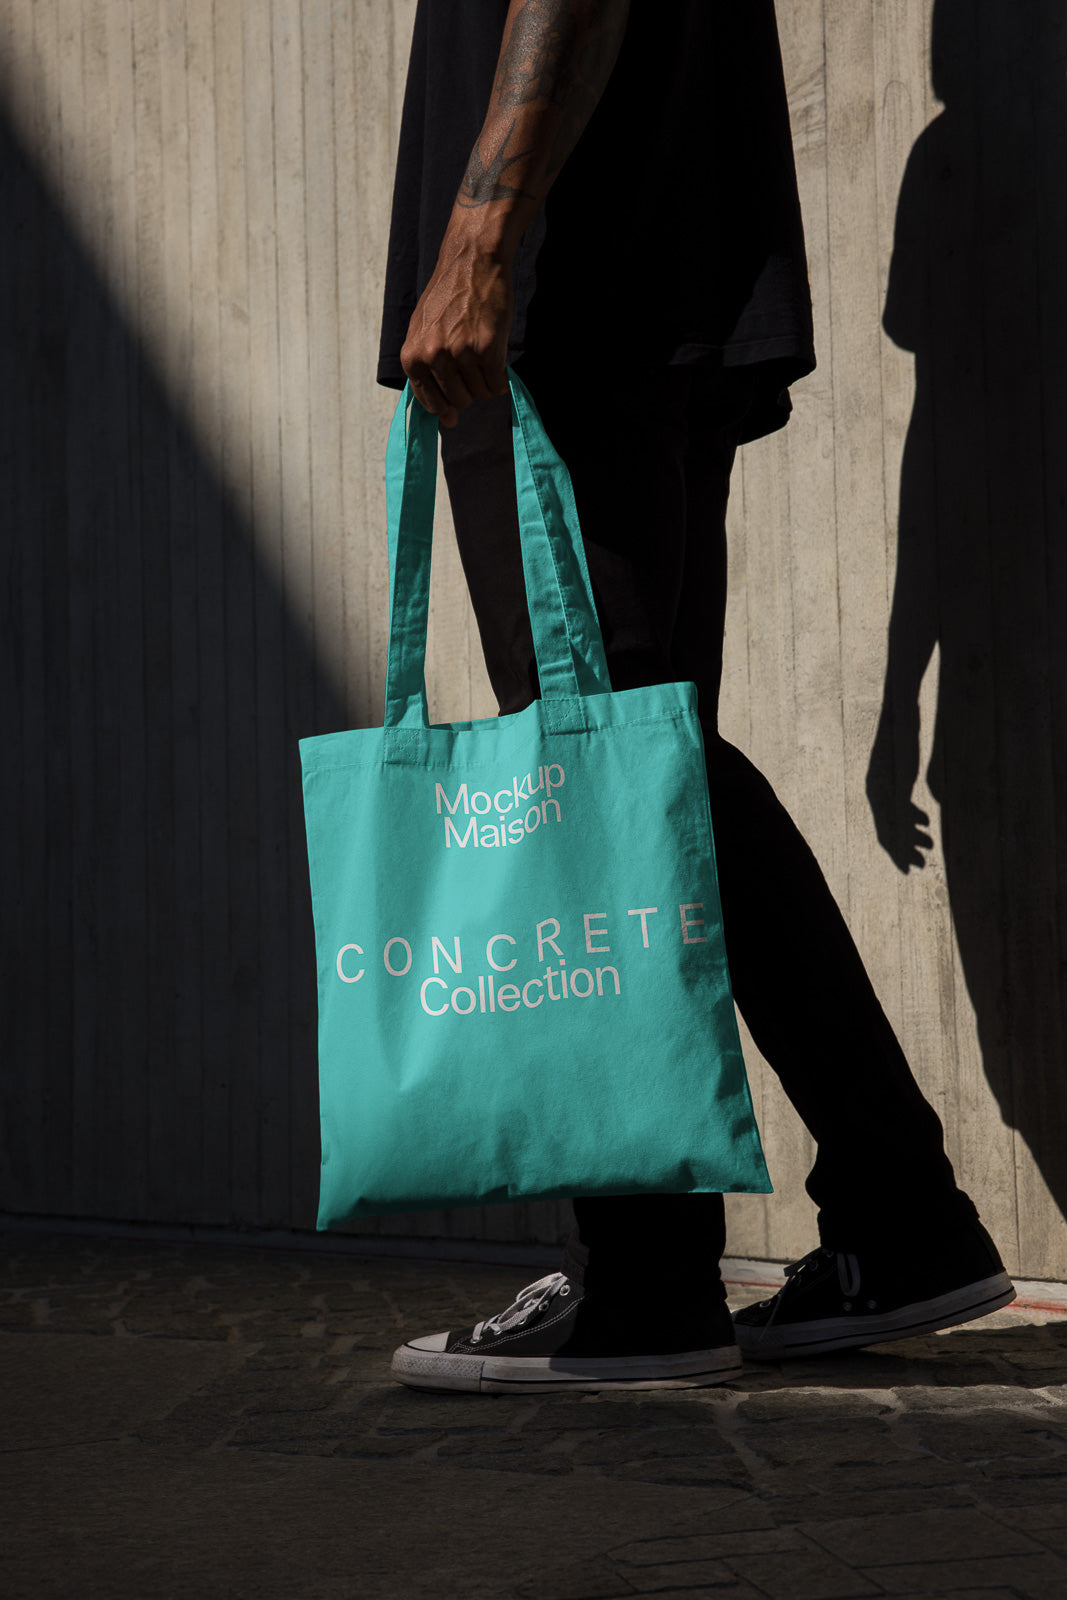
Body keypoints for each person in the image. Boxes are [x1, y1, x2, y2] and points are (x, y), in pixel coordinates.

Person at [376, 0, 1014, 1393]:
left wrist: (483, 228)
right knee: (645, 772)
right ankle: (821, 1233)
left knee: (609, 775)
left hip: (566, 284)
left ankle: (682, 1276)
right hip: (653, 275)